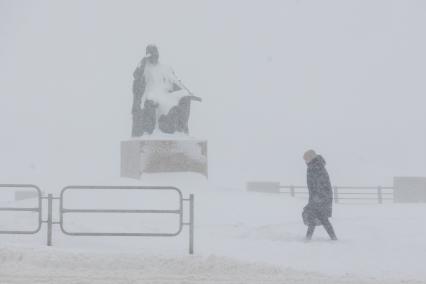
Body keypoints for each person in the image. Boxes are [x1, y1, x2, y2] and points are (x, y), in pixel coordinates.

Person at [131, 44, 201, 136]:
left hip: (167, 95)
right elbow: (136, 77)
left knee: (185, 96)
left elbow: (177, 83)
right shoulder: (144, 68)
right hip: (152, 95)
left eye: (156, 53)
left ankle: (181, 129)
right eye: (152, 54)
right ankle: (152, 131)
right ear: (148, 55)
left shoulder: (166, 68)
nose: (155, 56)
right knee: (151, 101)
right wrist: (142, 63)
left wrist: (189, 93)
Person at [302, 150, 337, 241]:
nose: (305, 161)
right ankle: (332, 238)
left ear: (311, 157)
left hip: (320, 197)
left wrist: (317, 198)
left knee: (315, 216)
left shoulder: (316, 167)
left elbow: (321, 184)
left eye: (306, 158)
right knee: (319, 217)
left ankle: (308, 238)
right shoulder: (314, 166)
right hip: (318, 197)